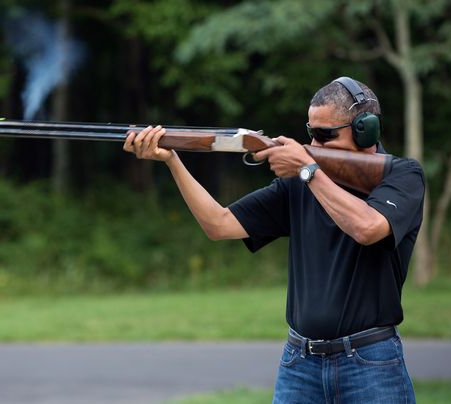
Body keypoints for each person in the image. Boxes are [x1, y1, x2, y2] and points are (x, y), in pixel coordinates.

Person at [124, 77, 424, 403]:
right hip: (300, 363)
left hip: (370, 362)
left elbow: (367, 228)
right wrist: (172, 160)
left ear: (366, 130)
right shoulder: (299, 183)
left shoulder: (401, 175)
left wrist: (308, 170)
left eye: (325, 135)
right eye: (311, 132)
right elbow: (218, 224)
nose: (313, 143)